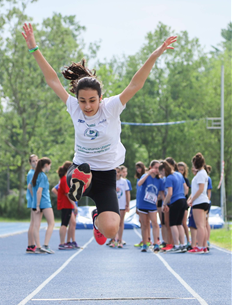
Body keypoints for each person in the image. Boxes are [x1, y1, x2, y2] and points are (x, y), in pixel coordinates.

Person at [22, 22, 177, 245]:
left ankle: (97, 220)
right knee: (81, 171)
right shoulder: (73, 107)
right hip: (80, 171)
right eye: (82, 100)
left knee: (112, 230)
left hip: (105, 177)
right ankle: (77, 186)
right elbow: (53, 80)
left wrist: (155, 54)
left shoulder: (111, 107)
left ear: (100, 98)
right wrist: (34, 48)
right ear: (77, 99)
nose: (87, 106)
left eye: (92, 100)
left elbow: (136, 84)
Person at [159, 160, 188, 253]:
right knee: (179, 223)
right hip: (183, 200)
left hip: (176, 201)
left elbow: (170, 193)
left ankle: (176, 245)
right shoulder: (179, 174)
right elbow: (186, 188)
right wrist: (182, 195)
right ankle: (183, 244)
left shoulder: (169, 178)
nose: (161, 175)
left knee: (173, 224)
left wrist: (164, 204)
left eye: (161, 172)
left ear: (164, 170)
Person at [137, 160, 164, 252]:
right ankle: (144, 244)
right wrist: (148, 174)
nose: (157, 170)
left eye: (158, 168)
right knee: (144, 225)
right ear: (151, 167)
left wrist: (164, 203)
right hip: (143, 204)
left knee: (155, 223)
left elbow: (161, 193)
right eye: (155, 168)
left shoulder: (159, 180)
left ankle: (156, 243)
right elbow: (139, 183)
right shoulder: (145, 176)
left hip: (152, 205)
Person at [31, 157, 55, 254]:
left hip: (36, 202)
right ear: (46, 165)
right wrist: (38, 205)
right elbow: (39, 191)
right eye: (49, 165)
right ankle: (45, 245)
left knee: (36, 226)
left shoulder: (35, 175)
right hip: (44, 203)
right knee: (51, 223)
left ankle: (38, 247)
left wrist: (35, 202)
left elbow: (30, 187)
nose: (49, 167)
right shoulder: (43, 176)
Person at [187, 153, 210, 253]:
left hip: (199, 202)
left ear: (195, 163)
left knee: (200, 225)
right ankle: (203, 246)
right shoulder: (202, 173)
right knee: (203, 225)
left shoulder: (201, 173)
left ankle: (200, 246)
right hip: (203, 201)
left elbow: (200, 189)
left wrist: (192, 199)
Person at [56, 161, 79, 250]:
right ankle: (62, 243)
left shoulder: (65, 179)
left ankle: (69, 241)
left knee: (72, 222)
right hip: (66, 205)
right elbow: (67, 194)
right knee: (64, 224)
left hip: (67, 205)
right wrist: (75, 206)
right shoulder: (65, 179)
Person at [108, 167, 130, 248]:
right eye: (115, 172)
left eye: (118, 172)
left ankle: (120, 240)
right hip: (113, 205)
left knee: (121, 222)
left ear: (120, 172)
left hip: (122, 205)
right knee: (113, 223)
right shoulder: (111, 181)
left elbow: (127, 193)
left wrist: (127, 204)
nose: (116, 174)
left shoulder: (124, 182)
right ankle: (113, 239)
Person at [134, 161, 151, 248]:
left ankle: (147, 239)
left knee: (146, 222)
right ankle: (145, 239)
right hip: (140, 202)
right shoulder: (138, 178)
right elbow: (138, 193)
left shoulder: (146, 177)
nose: (138, 169)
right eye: (137, 168)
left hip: (146, 203)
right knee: (143, 222)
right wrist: (137, 205)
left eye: (139, 167)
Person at [26, 154, 38, 253]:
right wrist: (35, 200)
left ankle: (31, 245)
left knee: (33, 222)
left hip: (33, 200)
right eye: (33, 161)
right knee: (33, 223)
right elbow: (30, 188)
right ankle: (31, 244)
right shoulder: (31, 173)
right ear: (30, 163)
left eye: (36, 161)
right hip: (33, 200)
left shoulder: (35, 172)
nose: (35, 163)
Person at [177, 161, 191, 248]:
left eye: (182, 170)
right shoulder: (174, 178)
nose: (180, 172)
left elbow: (187, 191)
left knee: (183, 222)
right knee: (177, 222)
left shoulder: (185, 180)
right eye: (178, 170)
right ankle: (179, 240)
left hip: (183, 202)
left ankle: (188, 240)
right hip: (176, 202)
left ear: (184, 171)